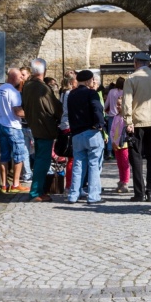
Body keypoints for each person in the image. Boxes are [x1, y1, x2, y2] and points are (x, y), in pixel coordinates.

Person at [122, 52, 151, 202]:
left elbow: (127, 102)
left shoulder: (131, 78)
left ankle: (139, 192)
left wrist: (128, 121)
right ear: (148, 63)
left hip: (137, 123)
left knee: (135, 157)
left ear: (136, 62)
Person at [22, 58, 63, 203]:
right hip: (44, 128)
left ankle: (38, 190)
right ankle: (35, 192)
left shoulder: (27, 86)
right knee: (42, 161)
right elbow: (54, 108)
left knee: (40, 159)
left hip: (35, 125)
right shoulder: (42, 88)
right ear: (44, 71)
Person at [66, 69, 106, 205]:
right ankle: (93, 196)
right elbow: (97, 108)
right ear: (89, 80)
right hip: (91, 132)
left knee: (78, 164)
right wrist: (100, 124)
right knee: (94, 164)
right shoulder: (91, 93)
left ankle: (73, 194)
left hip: (76, 133)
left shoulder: (71, 95)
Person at [0, 68, 30, 194]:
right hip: (12, 126)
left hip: (1, 125)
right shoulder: (13, 92)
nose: (22, 79)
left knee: (4, 155)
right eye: (20, 77)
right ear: (14, 77)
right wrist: (32, 114)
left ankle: (3, 184)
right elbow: (18, 111)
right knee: (19, 155)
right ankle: (15, 184)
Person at [58, 72, 77, 193]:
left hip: (65, 125)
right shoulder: (70, 94)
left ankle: (70, 185)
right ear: (71, 82)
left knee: (71, 158)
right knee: (72, 158)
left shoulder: (63, 94)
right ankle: (69, 186)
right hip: (70, 126)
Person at [17, 66, 33, 184]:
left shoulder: (31, 88)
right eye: (20, 74)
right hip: (22, 125)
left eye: (23, 74)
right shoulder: (18, 89)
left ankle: (44, 172)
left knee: (38, 150)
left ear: (29, 75)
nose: (21, 76)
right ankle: (27, 174)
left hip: (33, 124)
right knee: (25, 151)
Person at [110, 96, 130, 193]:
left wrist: (117, 141)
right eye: (116, 104)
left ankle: (125, 182)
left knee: (125, 164)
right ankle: (121, 180)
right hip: (116, 145)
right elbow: (112, 130)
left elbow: (123, 132)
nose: (117, 106)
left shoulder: (126, 118)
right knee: (119, 164)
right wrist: (113, 141)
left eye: (119, 104)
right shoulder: (116, 117)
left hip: (123, 145)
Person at [104, 76, 124, 159]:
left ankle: (109, 152)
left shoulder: (111, 91)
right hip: (121, 115)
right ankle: (118, 150)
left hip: (112, 115)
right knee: (120, 133)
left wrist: (104, 110)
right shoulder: (125, 92)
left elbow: (107, 103)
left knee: (111, 133)